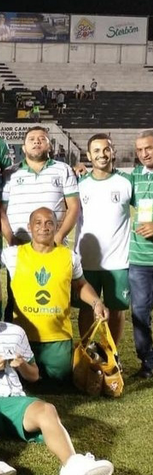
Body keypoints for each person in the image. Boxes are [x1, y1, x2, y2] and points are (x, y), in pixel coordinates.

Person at [0, 277, 114, 475]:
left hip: (13, 399)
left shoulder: (15, 332)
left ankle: (72, 464)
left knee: (47, 409)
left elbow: (34, 376)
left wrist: (22, 365)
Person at [0, 208, 108, 382]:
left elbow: (81, 285)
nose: (44, 227)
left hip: (58, 337)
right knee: (22, 380)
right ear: (29, 227)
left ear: (57, 227)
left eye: (49, 223)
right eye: (38, 223)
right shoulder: (12, 254)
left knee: (59, 380)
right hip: (22, 337)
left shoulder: (69, 257)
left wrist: (97, 303)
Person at [73, 134, 131, 349]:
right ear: (88, 156)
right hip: (86, 259)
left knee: (116, 309)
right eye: (96, 151)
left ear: (113, 152)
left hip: (118, 261)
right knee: (86, 308)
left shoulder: (126, 182)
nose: (102, 154)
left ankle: (111, 352)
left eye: (106, 149)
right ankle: (86, 350)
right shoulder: (79, 184)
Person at [1, 127, 79, 246]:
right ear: (23, 148)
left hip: (54, 246)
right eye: (31, 139)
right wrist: (11, 239)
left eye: (42, 139)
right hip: (20, 246)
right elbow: (1, 211)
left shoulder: (64, 169)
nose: (36, 142)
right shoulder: (9, 173)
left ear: (50, 146)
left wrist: (59, 236)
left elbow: (74, 207)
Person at [129, 130, 153, 377]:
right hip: (139, 260)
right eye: (140, 150)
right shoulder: (135, 177)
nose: (144, 153)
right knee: (140, 314)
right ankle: (147, 363)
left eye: (149, 148)